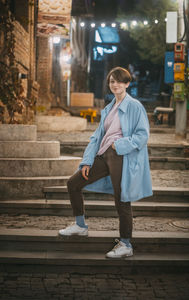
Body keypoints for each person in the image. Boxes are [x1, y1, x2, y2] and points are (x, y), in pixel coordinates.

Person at [59, 67, 153, 258]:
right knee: (74, 183)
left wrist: (120, 145)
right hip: (103, 155)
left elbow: (142, 135)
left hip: (120, 154)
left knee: (122, 198)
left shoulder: (134, 106)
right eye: (112, 81)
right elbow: (96, 137)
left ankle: (126, 244)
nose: (115, 84)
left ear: (127, 84)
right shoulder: (109, 108)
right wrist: (87, 162)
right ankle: (80, 225)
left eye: (119, 81)